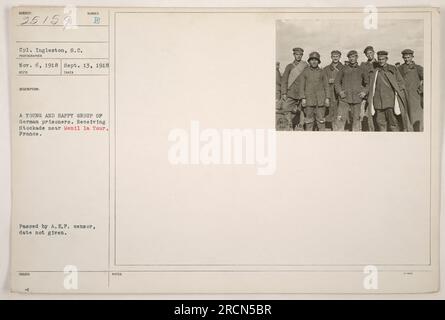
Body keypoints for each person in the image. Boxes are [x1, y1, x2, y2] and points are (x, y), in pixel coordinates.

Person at [367, 51, 412, 132]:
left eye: (383, 59)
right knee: (381, 124)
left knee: (393, 124)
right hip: (378, 103)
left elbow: (400, 82)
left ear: (386, 59)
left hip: (390, 102)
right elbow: (370, 85)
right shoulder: (375, 71)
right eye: (379, 59)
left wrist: (399, 93)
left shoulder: (393, 69)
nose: (381, 61)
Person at [334, 50, 369, 131]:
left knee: (356, 119)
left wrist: (364, 92)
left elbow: (367, 83)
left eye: (354, 57)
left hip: (357, 98)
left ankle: (355, 137)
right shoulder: (343, 69)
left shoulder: (361, 69)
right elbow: (337, 82)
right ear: (348, 58)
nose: (352, 59)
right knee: (341, 118)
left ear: (357, 57)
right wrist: (340, 92)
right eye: (350, 57)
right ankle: (339, 137)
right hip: (344, 98)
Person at [299, 52, 330, 131]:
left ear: (318, 61)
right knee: (309, 121)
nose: (314, 61)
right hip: (309, 100)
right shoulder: (305, 72)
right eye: (312, 60)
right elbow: (301, 86)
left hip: (320, 101)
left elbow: (326, 86)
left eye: (316, 60)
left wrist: (327, 98)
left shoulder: (322, 72)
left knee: (321, 121)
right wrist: (303, 98)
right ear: (309, 61)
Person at [279, 47, 308, 130]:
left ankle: (301, 124)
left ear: (302, 55)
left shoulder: (305, 66)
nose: (298, 56)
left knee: (303, 109)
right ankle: (289, 123)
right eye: (296, 54)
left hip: (302, 92)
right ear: (294, 55)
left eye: (300, 55)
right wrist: (284, 93)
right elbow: (284, 80)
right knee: (285, 108)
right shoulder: (289, 66)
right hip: (291, 92)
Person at [397, 49, 424, 131]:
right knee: (405, 116)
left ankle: (418, 132)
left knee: (416, 116)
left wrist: (421, 89)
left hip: (415, 96)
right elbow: (397, 80)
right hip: (403, 95)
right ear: (402, 58)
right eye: (405, 58)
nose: (407, 59)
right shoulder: (400, 68)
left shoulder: (418, 68)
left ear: (412, 57)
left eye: (408, 57)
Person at [323, 50, 344, 130]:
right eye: (334, 56)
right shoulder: (326, 69)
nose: (335, 58)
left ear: (339, 57)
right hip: (331, 92)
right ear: (331, 57)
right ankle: (334, 127)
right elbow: (323, 80)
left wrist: (336, 81)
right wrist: (328, 80)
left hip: (341, 92)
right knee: (332, 109)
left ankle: (341, 127)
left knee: (341, 110)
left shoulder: (344, 68)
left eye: (337, 56)